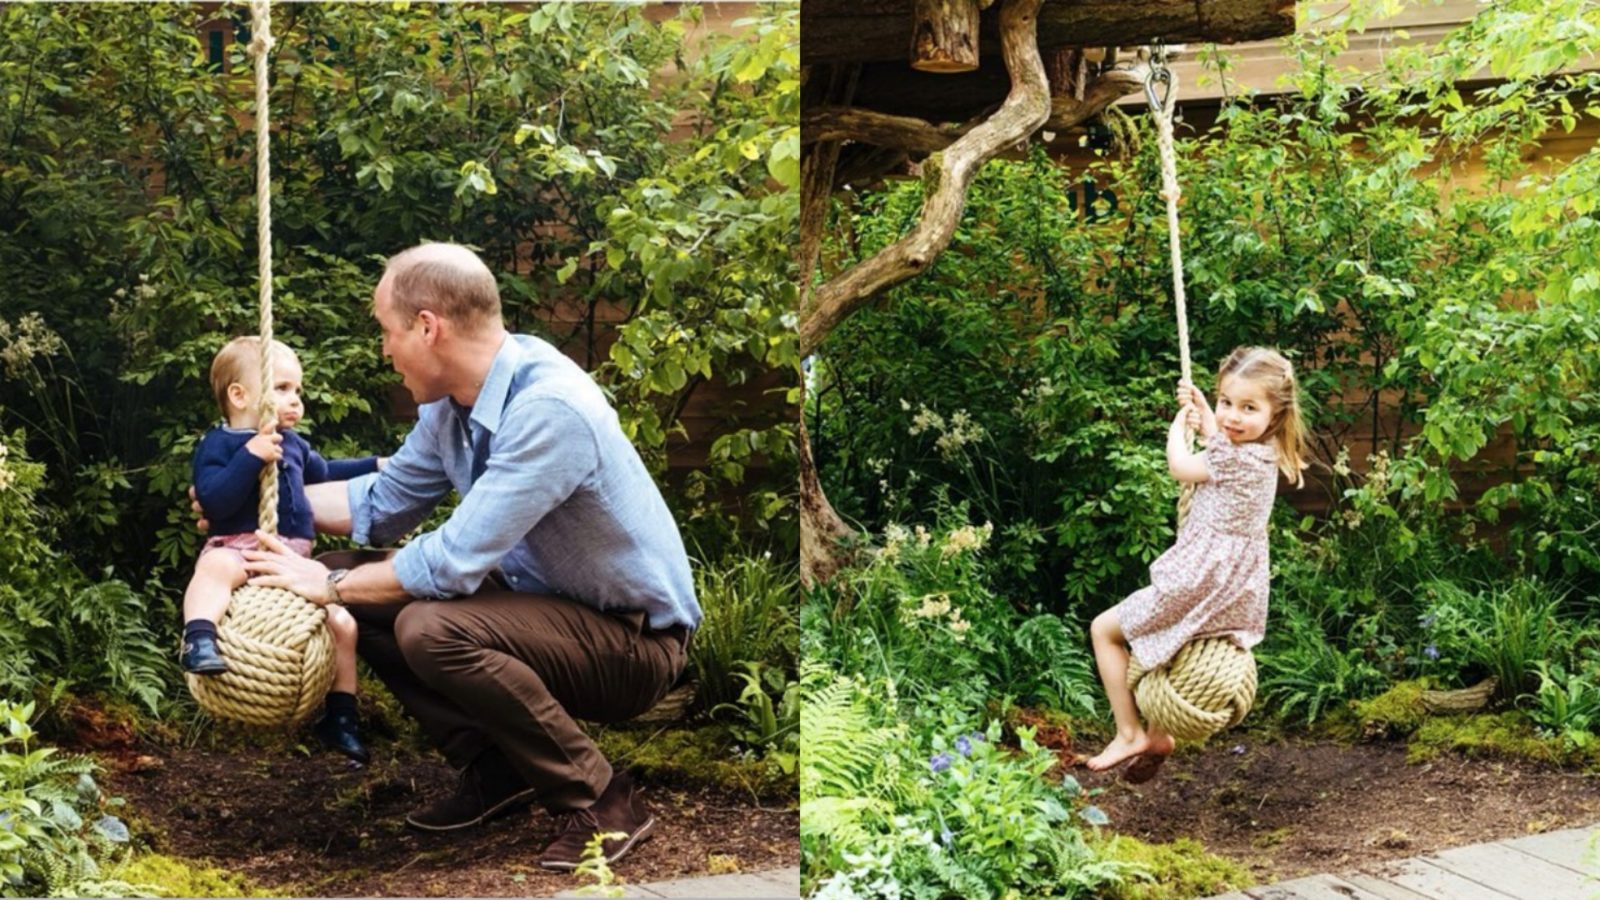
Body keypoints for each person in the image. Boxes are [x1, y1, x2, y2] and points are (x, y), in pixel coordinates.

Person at [238, 242, 702, 871]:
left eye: (387, 331)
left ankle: (604, 801)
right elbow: (386, 500)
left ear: (427, 327)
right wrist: (246, 499)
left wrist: (330, 588)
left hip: (634, 645)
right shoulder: (451, 406)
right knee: (355, 576)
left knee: (426, 625)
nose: (384, 349)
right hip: (545, 615)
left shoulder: (550, 409)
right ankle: (497, 768)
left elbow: (453, 561)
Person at [1083, 346, 1307, 783]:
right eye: (1226, 402)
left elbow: (1180, 466)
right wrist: (1206, 414)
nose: (1232, 417)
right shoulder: (1267, 451)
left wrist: (1177, 429)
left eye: (1248, 407)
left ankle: (1128, 732)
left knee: (1104, 631)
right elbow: (1225, 443)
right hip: (1235, 587)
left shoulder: (1230, 457)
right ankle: (1159, 735)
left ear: (1275, 415)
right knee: (1177, 645)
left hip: (1197, 582)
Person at [182, 336, 380, 764]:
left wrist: (377, 464)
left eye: (298, 391)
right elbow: (214, 501)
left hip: (291, 562)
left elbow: (325, 473)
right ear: (240, 395)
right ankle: (198, 638)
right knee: (215, 566)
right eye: (283, 388)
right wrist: (251, 457)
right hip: (240, 549)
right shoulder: (219, 444)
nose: (296, 401)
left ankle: (341, 716)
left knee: (342, 623)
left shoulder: (293, 443)